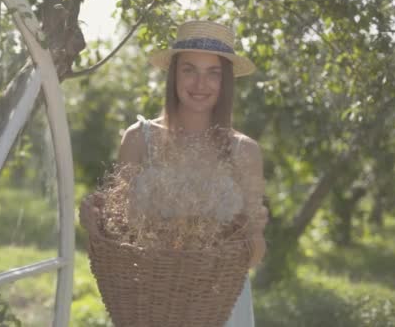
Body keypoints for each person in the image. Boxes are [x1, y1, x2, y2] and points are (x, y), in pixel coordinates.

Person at [80, 20, 268, 327]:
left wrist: (253, 231)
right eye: (189, 69)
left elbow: (254, 256)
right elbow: (115, 241)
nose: (200, 84)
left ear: (226, 82)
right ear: (174, 74)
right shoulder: (139, 139)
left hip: (220, 308)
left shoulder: (244, 151)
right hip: (151, 304)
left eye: (213, 73)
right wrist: (95, 224)